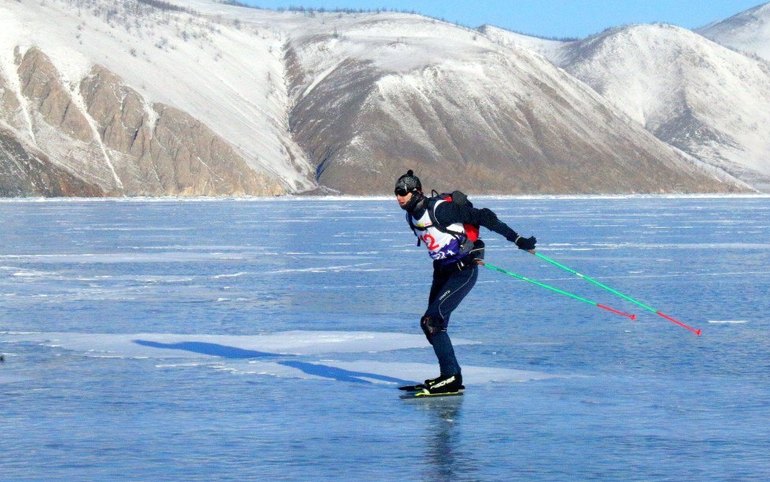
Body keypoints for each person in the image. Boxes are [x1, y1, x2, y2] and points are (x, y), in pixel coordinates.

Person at [394, 170, 537, 394]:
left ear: (416, 192)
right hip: (441, 271)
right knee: (433, 327)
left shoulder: (439, 210)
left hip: (463, 270)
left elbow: (482, 216)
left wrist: (518, 239)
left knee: (432, 321)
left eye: (403, 192)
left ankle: (451, 378)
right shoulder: (411, 216)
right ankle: (450, 376)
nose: (399, 197)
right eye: (396, 193)